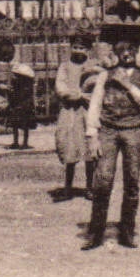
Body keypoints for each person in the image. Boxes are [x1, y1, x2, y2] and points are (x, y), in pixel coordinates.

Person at [82, 33, 140, 250]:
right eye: (122, 50)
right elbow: (95, 104)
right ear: (116, 53)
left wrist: (128, 86)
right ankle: (96, 234)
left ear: (137, 52)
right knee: (103, 181)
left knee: (132, 181)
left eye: (131, 50)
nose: (127, 54)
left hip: (132, 131)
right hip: (108, 131)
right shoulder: (106, 76)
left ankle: (127, 232)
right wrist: (92, 135)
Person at [52, 42, 101, 199]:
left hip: (88, 112)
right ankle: (68, 187)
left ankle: (90, 187)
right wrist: (78, 95)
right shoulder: (65, 67)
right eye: (76, 47)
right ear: (71, 48)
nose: (79, 50)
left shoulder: (94, 67)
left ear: (88, 50)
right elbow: (60, 88)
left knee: (90, 150)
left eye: (82, 47)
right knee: (69, 148)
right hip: (70, 111)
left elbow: (99, 87)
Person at [6, 59, 37, 150]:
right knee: (20, 125)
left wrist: (11, 94)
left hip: (21, 106)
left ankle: (21, 142)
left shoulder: (23, 85)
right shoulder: (25, 84)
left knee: (21, 125)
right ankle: (20, 142)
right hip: (21, 106)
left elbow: (18, 95)